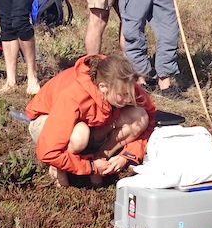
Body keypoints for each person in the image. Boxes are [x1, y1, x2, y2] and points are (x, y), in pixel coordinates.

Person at [26, 54, 156, 187]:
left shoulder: (123, 81)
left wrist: (126, 156)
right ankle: (61, 167)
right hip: (46, 122)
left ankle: (101, 157)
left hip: (93, 123)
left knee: (140, 116)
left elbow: (150, 121)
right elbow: (48, 152)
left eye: (131, 93)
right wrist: (90, 167)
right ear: (103, 87)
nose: (129, 99)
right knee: (79, 135)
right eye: (123, 95)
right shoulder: (73, 95)